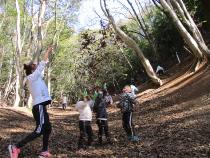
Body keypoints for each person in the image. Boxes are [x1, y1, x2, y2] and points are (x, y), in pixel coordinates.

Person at [8, 46, 54, 158]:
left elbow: (42, 68)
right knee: (40, 130)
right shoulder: (31, 77)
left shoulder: (36, 77)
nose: (37, 64)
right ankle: (15, 147)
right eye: (35, 64)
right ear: (32, 69)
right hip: (38, 106)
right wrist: (47, 52)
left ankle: (44, 151)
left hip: (41, 106)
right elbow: (43, 64)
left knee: (47, 128)